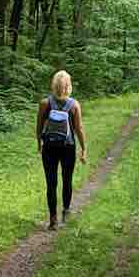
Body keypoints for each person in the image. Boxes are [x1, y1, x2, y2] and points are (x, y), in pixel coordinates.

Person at [36, 70, 87, 230]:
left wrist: (39, 143)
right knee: (67, 180)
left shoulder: (45, 103)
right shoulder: (74, 105)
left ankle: (53, 220)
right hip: (68, 147)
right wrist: (84, 149)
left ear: (54, 85)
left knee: (51, 183)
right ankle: (66, 211)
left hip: (49, 148)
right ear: (68, 86)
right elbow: (78, 129)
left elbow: (39, 127)